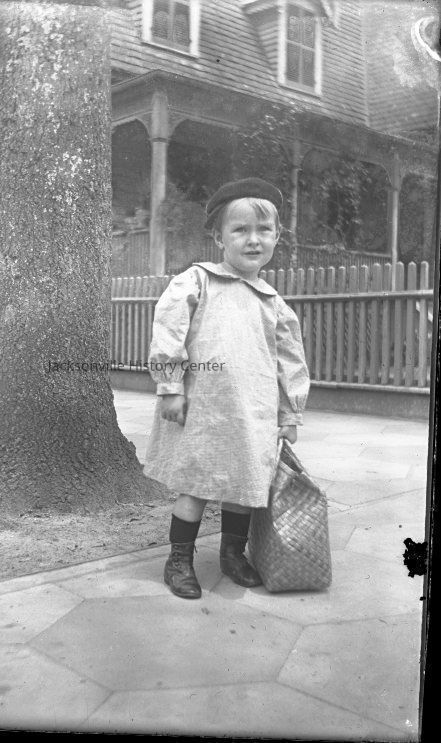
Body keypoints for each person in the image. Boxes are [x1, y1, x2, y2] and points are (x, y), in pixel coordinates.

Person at [144, 178, 310, 599]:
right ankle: (178, 560)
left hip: (253, 412)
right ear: (219, 237)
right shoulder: (198, 281)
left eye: (263, 230)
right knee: (195, 486)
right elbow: (169, 328)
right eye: (240, 230)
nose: (253, 240)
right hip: (204, 408)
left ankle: (232, 554)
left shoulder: (273, 303)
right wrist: (170, 386)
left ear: (277, 236)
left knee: (243, 488)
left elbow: (291, 361)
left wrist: (290, 412)